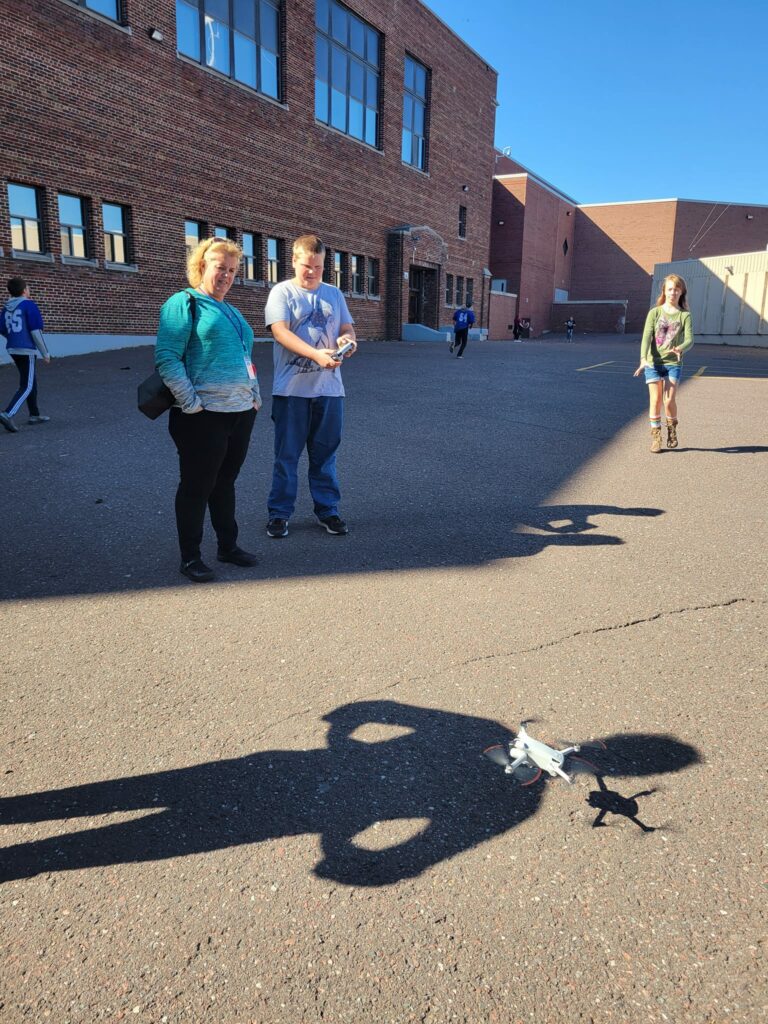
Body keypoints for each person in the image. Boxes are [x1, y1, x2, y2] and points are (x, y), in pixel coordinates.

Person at [155, 237, 262, 582]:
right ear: (202, 265)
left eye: (232, 270)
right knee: (196, 486)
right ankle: (190, 557)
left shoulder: (231, 310)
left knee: (225, 482)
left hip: (240, 412)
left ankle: (227, 547)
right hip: (202, 415)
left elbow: (246, 358)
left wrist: (255, 395)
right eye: (220, 268)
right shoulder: (183, 303)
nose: (226, 276)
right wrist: (190, 403)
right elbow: (167, 358)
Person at [264, 234, 356, 539]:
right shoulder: (281, 292)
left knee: (325, 456)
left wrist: (347, 340)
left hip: (329, 391)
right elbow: (280, 333)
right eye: (306, 265)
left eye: (318, 266)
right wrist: (317, 354)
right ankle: (279, 514)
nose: (312, 272)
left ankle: (328, 510)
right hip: (291, 391)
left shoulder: (334, 294)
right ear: (293, 261)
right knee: (286, 457)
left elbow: (346, 326)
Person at [633, 273, 694, 453]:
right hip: (653, 363)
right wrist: (643, 359)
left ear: (681, 292)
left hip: (673, 364)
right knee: (656, 400)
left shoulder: (685, 316)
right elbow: (646, 337)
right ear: (664, 291)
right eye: (670, 289)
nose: (673, 292)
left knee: (668, 401)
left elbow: (690, 339)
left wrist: (680, 348)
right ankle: (656, 437)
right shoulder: (655, 312)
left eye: (676, 289)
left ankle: (672, 429)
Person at [0, 277, 51, 433]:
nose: (29, 290)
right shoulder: (29, 305)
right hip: (26, 349)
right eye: (28, 288)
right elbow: (36, 331)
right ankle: (8, 413)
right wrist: (45, 353)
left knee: (30, 380)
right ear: (24, 291)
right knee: (27, 385)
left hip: (13, 348)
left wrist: (13, 338)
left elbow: (2, 328)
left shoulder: (6, 307)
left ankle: (34, 414)